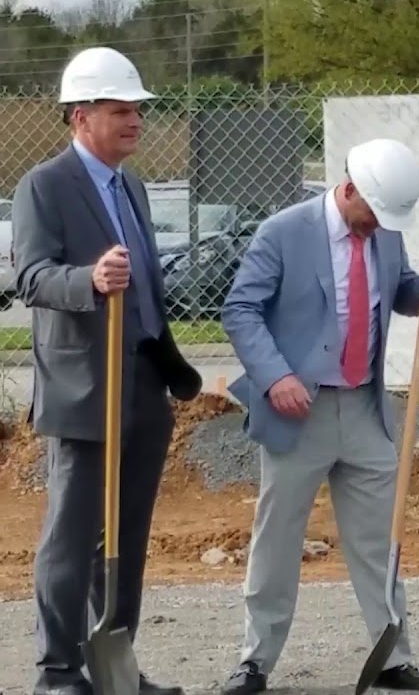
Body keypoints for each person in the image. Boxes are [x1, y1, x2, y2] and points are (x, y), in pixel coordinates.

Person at [218, 138, 419, 693]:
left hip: (366, 409)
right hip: (300, 411)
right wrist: (275, 376)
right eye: (372, 214)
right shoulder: (283, 232)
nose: (380, 226)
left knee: (378, 538)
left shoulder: (383, 231)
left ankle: (393, 656)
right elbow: (240, 309)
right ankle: (255, 661)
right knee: (278, 537)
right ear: (347, 190)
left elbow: (398, 295)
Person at [14, 46, 202, 695]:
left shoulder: (134, 186)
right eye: (120, 110)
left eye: (137, 111)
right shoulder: (45, 186)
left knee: (127, 538)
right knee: (71, 540)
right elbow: (30, 277)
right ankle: (59, 672)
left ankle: (114, 664)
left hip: (145, 383)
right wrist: (89, 280)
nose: (135, 121)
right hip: (84, 388)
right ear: (80, 117)